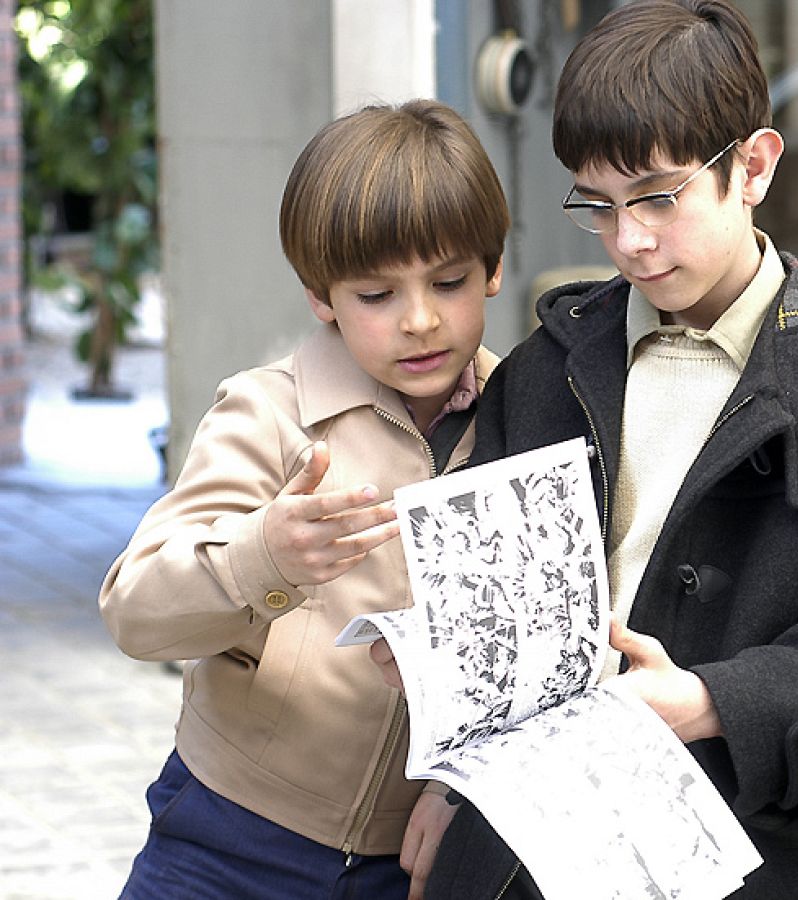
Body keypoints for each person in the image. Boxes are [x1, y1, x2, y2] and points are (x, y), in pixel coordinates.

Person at [413, 2, 798, 897]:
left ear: (755, 167)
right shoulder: (549, 367)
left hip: (761, 840)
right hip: (531, 832)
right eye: (600, 205)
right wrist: (446, 770)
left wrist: (706, 704)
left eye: (659, 196)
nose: (631, 241)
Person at [99, 99, 510, 899]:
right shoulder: (267, 415)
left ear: (493, 268)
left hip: (415, 862)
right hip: (227, 835)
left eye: (450, 281)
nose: (419, 320)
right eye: (375, 295)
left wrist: (458, 788)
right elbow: (135, 611)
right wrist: (263, 557)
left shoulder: (526, 419)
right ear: (321, 296)